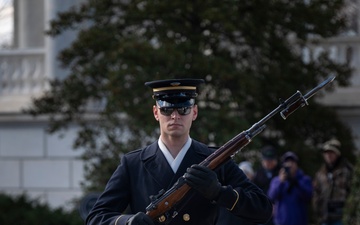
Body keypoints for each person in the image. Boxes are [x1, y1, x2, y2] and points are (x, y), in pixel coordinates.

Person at [85, 78, 273, 225]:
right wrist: (127, 221)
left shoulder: (215, 160)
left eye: (183, 109)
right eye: (167, 109)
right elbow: (96, 217)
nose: (175, 116)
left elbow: (263, 209)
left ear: (195, 112)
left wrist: (219, 193)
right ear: (156, 113)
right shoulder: (133, 163)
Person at [312, 138, 353, 225]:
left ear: (337, 154)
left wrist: (350, 212)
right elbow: (316, 193)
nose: (329, 155)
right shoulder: (320, 174)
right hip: (324, 217)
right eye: (326, 153)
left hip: (342, 217)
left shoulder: (346, 171)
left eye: (332, 152)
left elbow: (352, 192)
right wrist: (317, 210)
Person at [267, 151, 313, 225]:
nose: (290, 164)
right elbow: (271, 196)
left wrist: (296, 183)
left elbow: (308, 197)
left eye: (292, 162)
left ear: (296, 164)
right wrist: (280, 182)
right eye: (287, 162)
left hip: (299, 222)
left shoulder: (304, 179)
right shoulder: (276, 180)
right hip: (281, 222)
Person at [252, 145, 281, 225]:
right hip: (263, 211)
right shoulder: (257, 174)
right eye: (266, 160)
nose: (268, 163)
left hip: (279, 212)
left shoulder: (281, 173)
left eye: (271, 160)